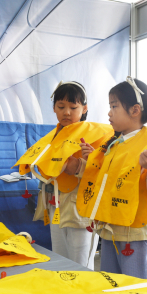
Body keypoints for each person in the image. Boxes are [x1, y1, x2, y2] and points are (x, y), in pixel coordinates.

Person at [65, 77, 147, 281]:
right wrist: (91, 161)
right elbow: (105, 180)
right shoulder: (114, 145)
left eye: (114, 106)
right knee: (112, 291)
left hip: (136, 237)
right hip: (109, 233)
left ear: (135, 110)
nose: (109, 113)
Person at [33, 81, 101, 269]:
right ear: (54, 108)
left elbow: (103, 173)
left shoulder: (96, 136)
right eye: (61, 106)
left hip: (81, 210)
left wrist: (81, 164)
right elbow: (44, 168)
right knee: (60, 260)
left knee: (81, 264)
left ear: (84, 108)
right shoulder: (52, 137)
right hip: (56, 206)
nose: (67, 112)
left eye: (73, 107)